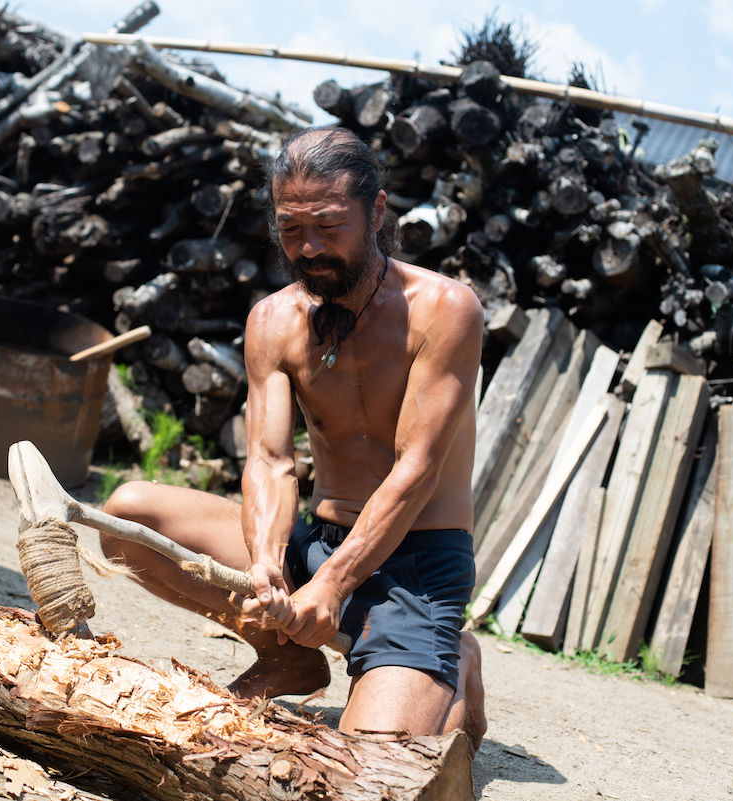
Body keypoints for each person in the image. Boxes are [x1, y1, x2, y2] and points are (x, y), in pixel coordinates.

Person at [100, 126, 486, 749]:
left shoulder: (445, 310)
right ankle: (289, 658)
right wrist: (265, 566)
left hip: (416, 565)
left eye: (330, 226)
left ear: (378, 212)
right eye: (290, 229)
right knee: (128, 518)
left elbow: (417, 470)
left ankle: (450, 661)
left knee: (371, 769)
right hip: (318, 544)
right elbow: (270, 460)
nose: (309, 248)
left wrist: (333, 587)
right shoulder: (273, 319)